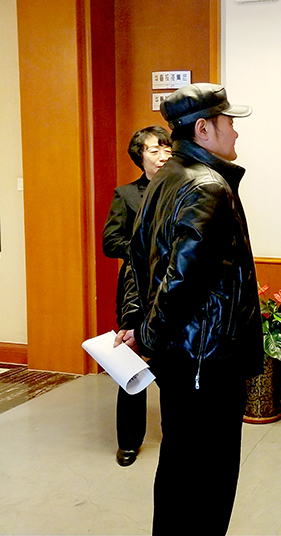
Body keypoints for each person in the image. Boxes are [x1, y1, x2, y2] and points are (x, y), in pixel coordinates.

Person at [117, 83, 263, 535]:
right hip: (208, 363)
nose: (235, 131)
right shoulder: (207, 187)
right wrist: (147, 334)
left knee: (179, 472)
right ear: (203, 129)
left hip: (181, 359)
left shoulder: (165, 179)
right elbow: (181, 280)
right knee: (208, 483)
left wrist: (139, 325)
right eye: (228, 122)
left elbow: (138, 261)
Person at [101, 126, 172, 467]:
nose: (163, 155)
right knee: (131, 363)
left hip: (173, 288)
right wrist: (144, 249)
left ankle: (177, 436)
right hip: (135, 291)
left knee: (173, 365)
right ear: (140, 157)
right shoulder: (126, 194)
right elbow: (110, 242)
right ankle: (128, 441)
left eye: (167, 148)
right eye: (154, 150)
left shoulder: (182, 189)